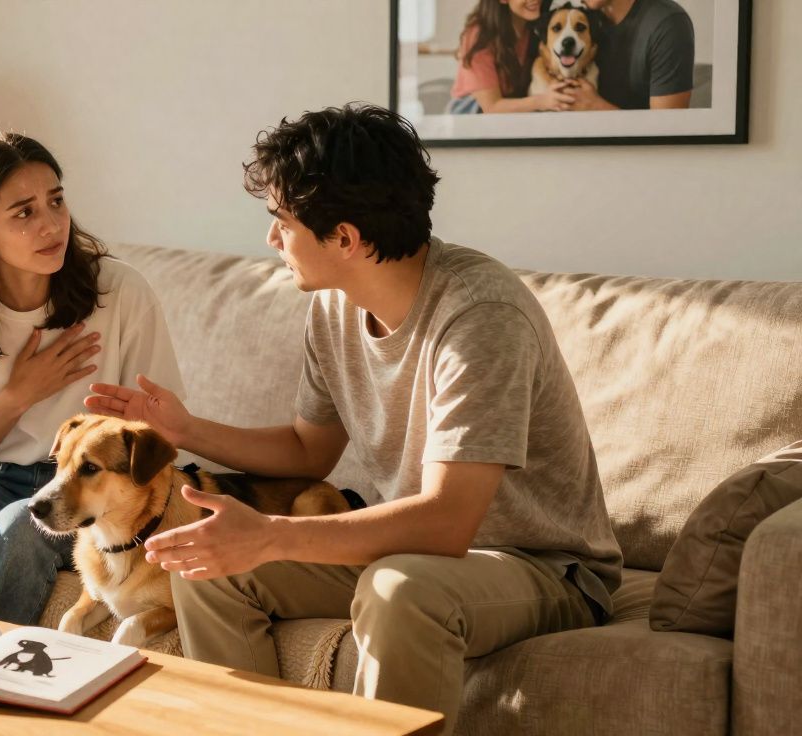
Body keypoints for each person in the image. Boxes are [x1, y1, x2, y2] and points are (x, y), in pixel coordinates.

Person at [85, 104, 622, 734]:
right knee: (208, 568)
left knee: (401, 589)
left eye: (281, 223)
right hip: (416, 549)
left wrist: (273, 534)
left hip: (540, 567)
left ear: (344, 237)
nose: (271, 241)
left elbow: (449, 523)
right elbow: (308, 450)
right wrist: (186, 430)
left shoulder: (480, 319)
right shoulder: (336, 309)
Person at [0, 131, 185, 625]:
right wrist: (18, 396)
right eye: (24, 212)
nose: (51, 225)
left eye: (56, 201)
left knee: (18, 528)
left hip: (89, 481)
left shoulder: (120, 292)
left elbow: (160, 433)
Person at [448, 0, 576, 113]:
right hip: (469, 118)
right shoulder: (479, 36)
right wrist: (542, 101)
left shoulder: (533, 29)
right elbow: (491, 107)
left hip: (510, 117)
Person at [572, 0, 695, 109]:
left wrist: (596, 106)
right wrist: (552, 96)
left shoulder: (668, 25)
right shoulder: (581, 18)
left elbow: (668, 129)